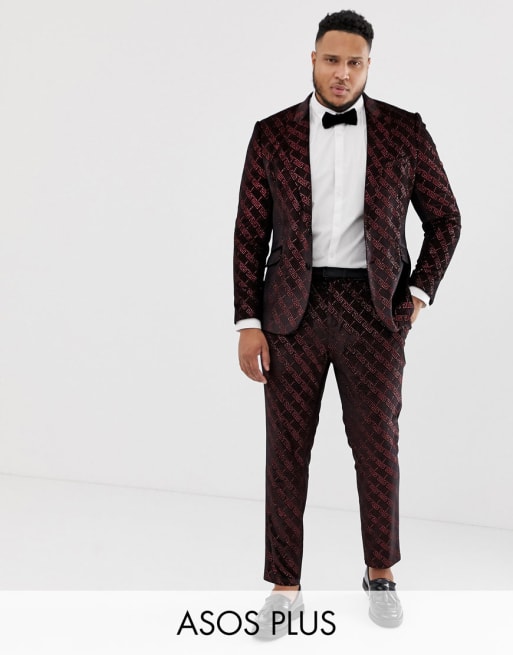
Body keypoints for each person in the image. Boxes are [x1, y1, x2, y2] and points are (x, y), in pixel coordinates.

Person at [233, 9, 460, 634]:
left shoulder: (404, 130)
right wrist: (248, 321)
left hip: (375, 312)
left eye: (354, 62)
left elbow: (446, 218)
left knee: (377, 447)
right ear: (313, 60)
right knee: (286, 453)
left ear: (368, 65)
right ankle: (284, 587)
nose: (342, 73)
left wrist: (417, 295)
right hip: (290, 314)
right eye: (332, 60)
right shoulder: (271, 134)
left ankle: (380, 572)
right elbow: (250, 233)